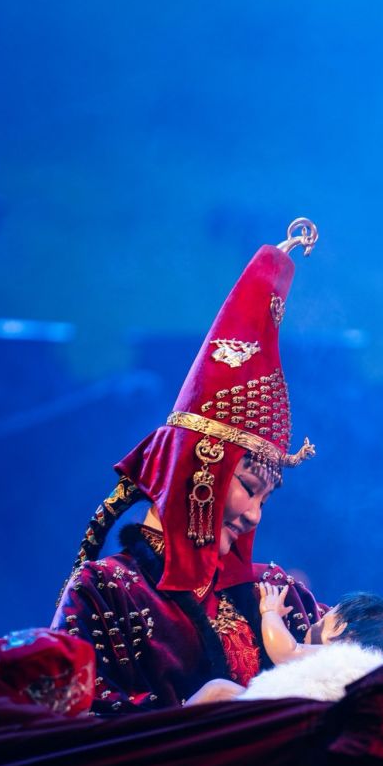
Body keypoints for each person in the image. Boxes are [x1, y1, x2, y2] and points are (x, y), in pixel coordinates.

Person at [51, 220, 326, 713]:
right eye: (248, 488)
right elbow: (65, 720)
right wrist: (185, 718)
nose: (256, 515)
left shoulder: (275, 592)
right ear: (199, 473)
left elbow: (367, 660)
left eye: (266, 499)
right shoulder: (106, 592)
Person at [222, 583, 383, 704]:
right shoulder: (373, 675)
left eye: (323, 619)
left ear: (340, 628)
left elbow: (285, 652)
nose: (317, 618)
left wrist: (270, 612)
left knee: (218, 690)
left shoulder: (338, 658)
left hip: (279, 714)